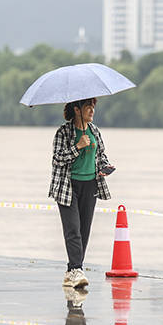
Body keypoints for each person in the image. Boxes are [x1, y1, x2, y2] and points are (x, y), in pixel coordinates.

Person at [49, 98, 113, 288]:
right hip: (67, 187)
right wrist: (77, 147)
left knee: (84, 231)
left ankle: (72, 271)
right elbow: (58, 159)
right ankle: (77, 269)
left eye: (93, 106)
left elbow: (101, 154)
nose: (92, 110)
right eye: (88, 107)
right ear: (77, 110)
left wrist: (105, 167)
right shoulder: (64, 132)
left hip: (90, 185)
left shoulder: (94, 131)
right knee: (73, 230)